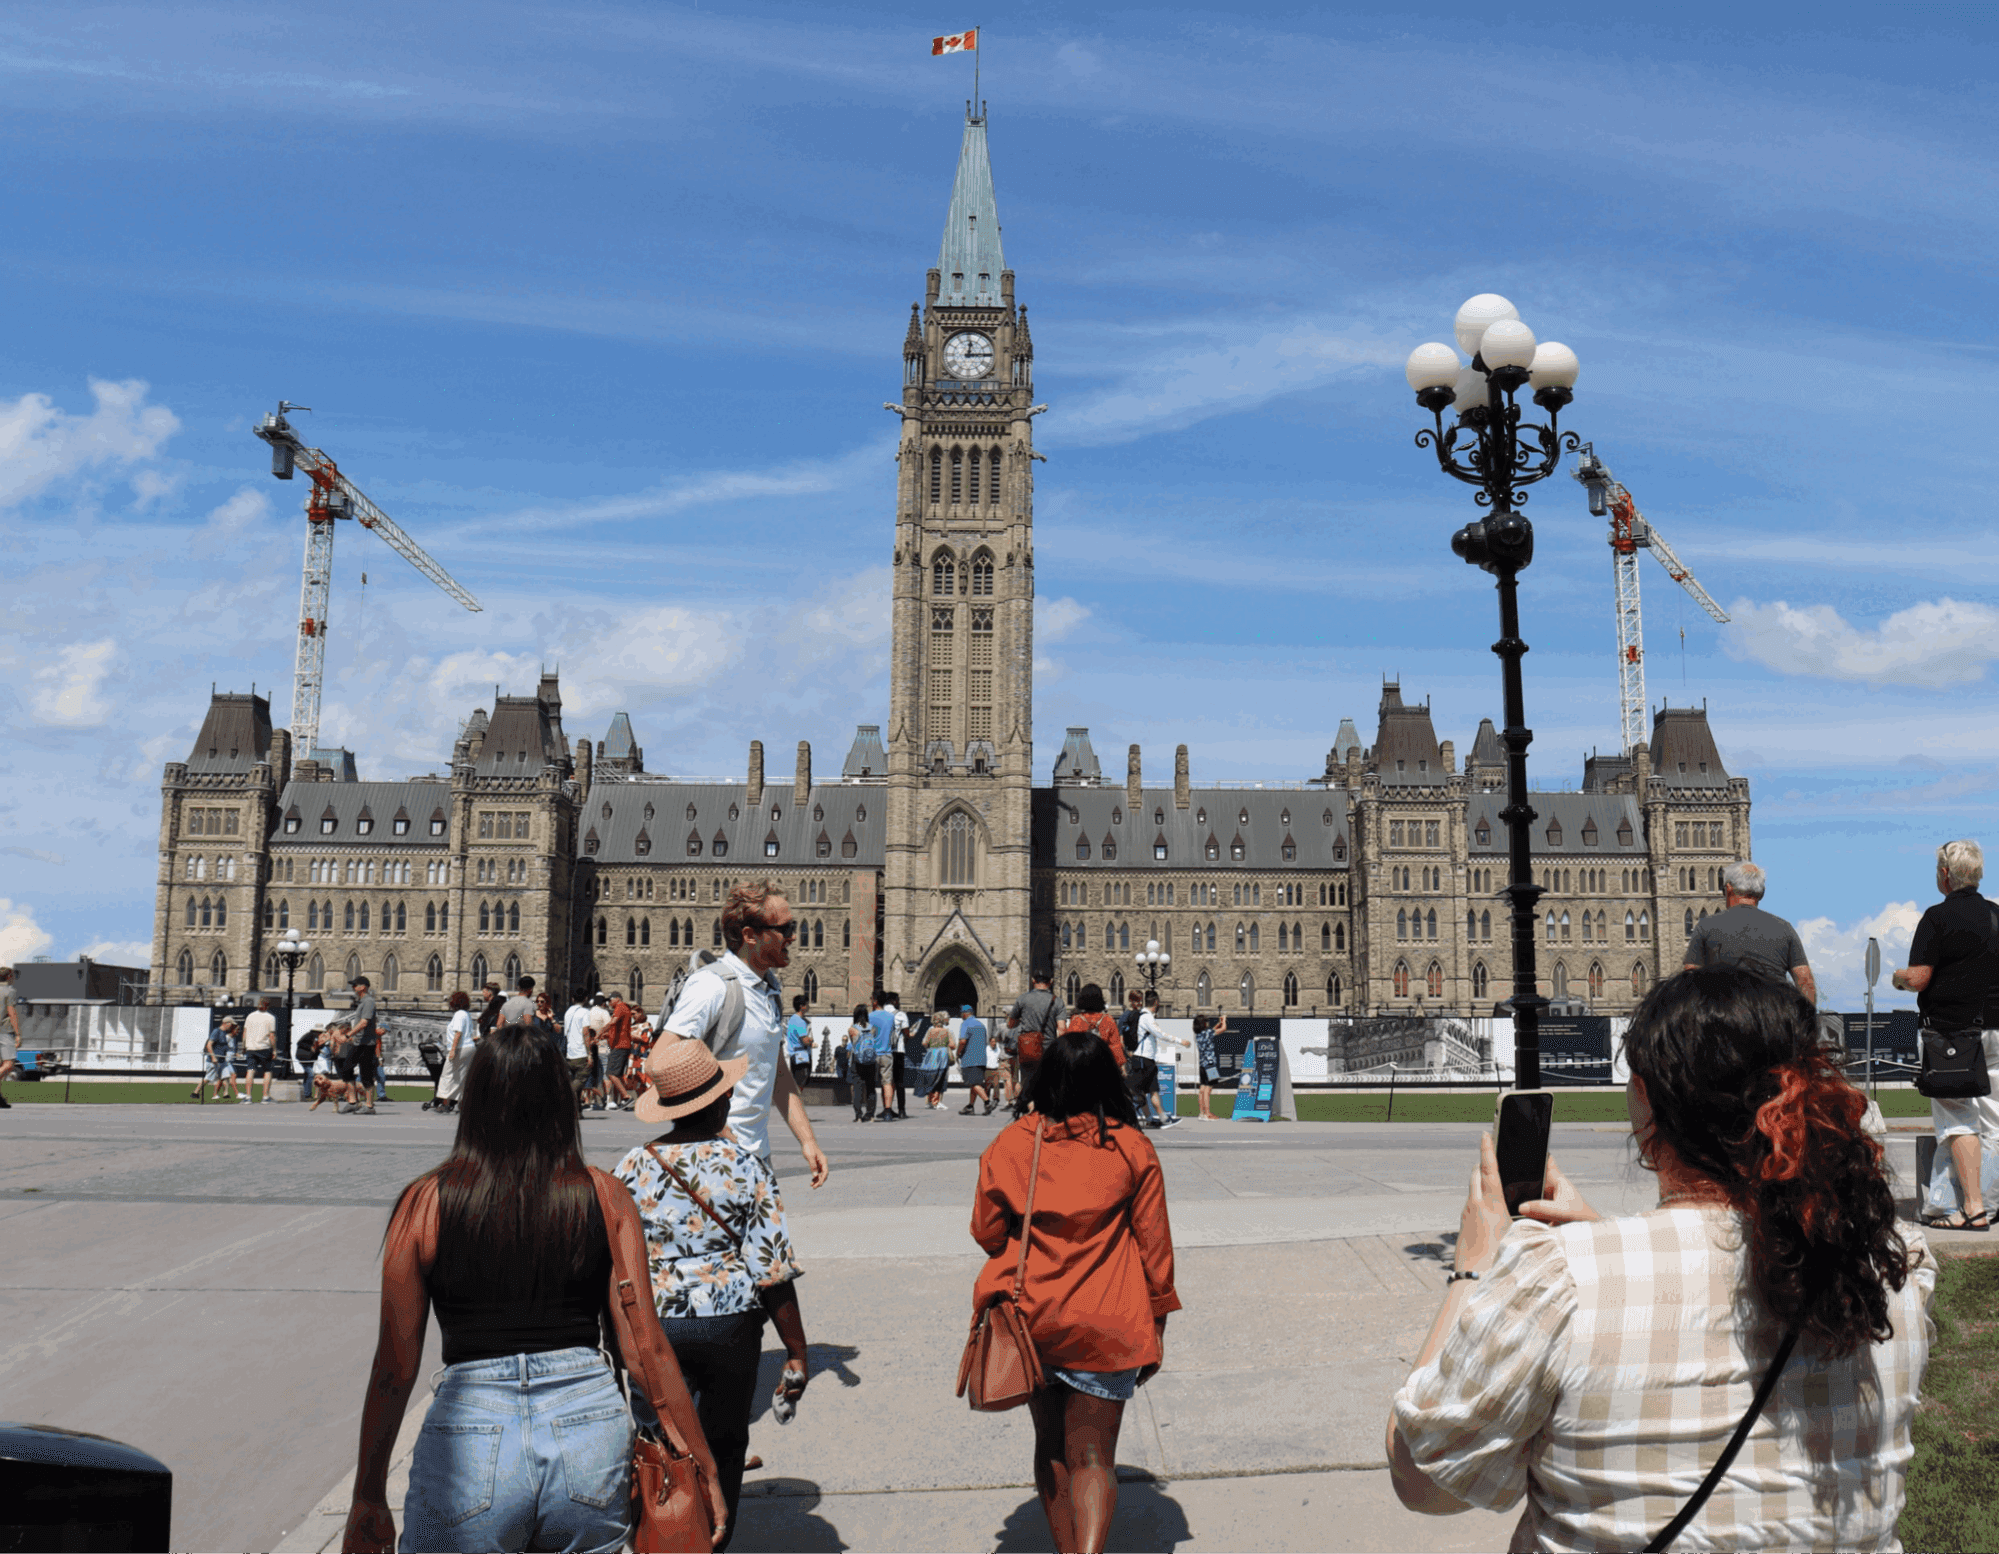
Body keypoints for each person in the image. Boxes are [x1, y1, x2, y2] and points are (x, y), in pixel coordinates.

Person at [1388, 968, 1932, 1551]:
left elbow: (1426, 1477)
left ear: (1646, 1104)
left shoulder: (1561, 1279)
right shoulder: (1891, 1272)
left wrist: (1473, 1268)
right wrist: (1602, 1242)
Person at [341, 1024, 726, 1554]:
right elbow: (646, 1349)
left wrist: (368, 1493)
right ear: (561, 1103)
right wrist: (699, 1458)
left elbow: (395, 1364)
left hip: (471, 1432)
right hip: (586, 1427)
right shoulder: (603, 1195)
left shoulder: (426, 1203)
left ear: (474, 1101)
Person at [971, 1032, 1179, 1554]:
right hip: (1106, 1323)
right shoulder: (1131, 1147)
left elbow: (987, 1233)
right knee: (1093, 1458)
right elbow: (1155, 1248)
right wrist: (1157, 1320)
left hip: (1033, 1318)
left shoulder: (1015, 1143)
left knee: (1052, 1449)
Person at [615, 1038, 810, 1552]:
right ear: (721, 1101)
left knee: (660, 1443)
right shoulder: (746, 1167)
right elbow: (771, 1270)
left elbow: (610, 1260)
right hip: (730, 1325)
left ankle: (663, 1534)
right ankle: (714, 1540)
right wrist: (796, 1349)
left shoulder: (632, 1167)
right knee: (724, 1444)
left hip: (656, 1329)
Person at [661, 881, 829, 1188]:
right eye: (785, 928)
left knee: (772, 1238)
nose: (793, 936)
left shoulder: (770, 990)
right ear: (750, 935)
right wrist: (718, 1131)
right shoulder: (713, 986)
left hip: (756, 1161)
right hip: (710, 1165)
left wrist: (807, 1140)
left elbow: (777, 1073)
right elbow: (659, 1060)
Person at [1893, 837, 1999, 1231]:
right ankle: (1987, 1201)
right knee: (1995, 1123)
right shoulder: (1996, 915)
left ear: (1944, 874)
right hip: (1997, 1029)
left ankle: (1971, 1209)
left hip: (1954, 1032)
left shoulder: (1936, 917)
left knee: (1957, 1120)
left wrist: (1898, 979)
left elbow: (1919, 978)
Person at [1681, 860, 1817, 1004]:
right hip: (1773, 1016)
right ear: (1761, 893)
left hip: (1725, 1015)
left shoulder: (1706, 926)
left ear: (1728, 889)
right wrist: (1808, 1021)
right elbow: (1804, 979)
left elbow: (1690, 975)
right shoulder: (1785, 928)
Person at [1007, 970, 1063, 1109]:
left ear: (1033, 981)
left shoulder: (1022, 999)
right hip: (1049, 1049)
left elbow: (1010, 1024)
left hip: (1028, 1048)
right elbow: (1061, 1029)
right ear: (1050, 982)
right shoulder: (1057, 1001)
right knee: (1048, 1084)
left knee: (1028, 1084)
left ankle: (1029, 1113)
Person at [1130, 991, 1174, 1129]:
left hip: (1147, 1059)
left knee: (1152, 1090)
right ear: (1155, 1003)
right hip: (1143, 1059)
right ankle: (1128, 1117)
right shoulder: (1146, 1018)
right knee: (1137, 1091)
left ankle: (1160, 1118)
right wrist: (1179, 1040)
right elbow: (1160, 1034)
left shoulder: (1145, 1017)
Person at [1061, 985, 1126, 1070]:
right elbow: (1115, 1046)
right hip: (1103, 1066)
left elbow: (1070, 1047)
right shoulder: (1108, 1020)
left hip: (1081, 1067)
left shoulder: (1076, 1020)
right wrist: (1121, 1066)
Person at [435, 990, 477, 1113]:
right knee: (461, 1077)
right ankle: (461, 1103)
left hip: (460, 1048)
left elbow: (458, 1032)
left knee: (447, 1075)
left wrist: (452, 1050)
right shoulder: (467, 1014)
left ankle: (445, 1103)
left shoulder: (459, 1014)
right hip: (469, 1048)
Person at [347, 977, 381, 1116]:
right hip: (359, 1043)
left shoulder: (368, 1002)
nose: (353, 988)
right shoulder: (362, 1002)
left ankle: (369, 1106)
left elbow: (364, 1023)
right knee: (346, 1068)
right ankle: (353, 1102)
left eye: (355, 985)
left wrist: (348, 1035)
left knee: (366, 1074)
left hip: (366, 1044)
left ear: (363, 987)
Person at [866, 993, 899, 1123]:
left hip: (872, 1053)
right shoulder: (891, 1017)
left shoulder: (869, 1016)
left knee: (870, 1083)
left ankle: (870, 1111)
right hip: (887, 1052)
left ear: (874, 1001)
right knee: (887, 1083)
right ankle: (887, 1111)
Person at [957, 1002, 993, 1116]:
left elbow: (962, 1041)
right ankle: (970, 1106)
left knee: (974, 1083)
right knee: (975, 1083)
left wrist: (958, 1053)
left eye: (961, 1013)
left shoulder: (965, 1024)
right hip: (981, 1059)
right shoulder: (981, 1025)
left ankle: (987, 1102)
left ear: (964, 1014)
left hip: (970, 1059)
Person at [603, 994, 638, 1110]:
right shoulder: (623, 1008)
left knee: (611, 1073)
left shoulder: (620, 1007)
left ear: (617, 999)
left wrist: (599, 1033)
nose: (609, 1003)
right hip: (621, 1045)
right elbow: (619, 1029)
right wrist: (606, 1035)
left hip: (620, 1046)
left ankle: (627, 1097)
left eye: (610, 1000)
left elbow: (612, 1022)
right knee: (617, 1074)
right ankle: (624, 1101)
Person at [843, 1004, 877, 1122]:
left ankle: (858, 1115)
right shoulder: (873, 1028)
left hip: (857, 1061)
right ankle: (871, 1115)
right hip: (871, 1061)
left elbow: (853, 1044)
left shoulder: (852, 1029)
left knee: (858, 1087)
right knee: (871, 1088)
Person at [242, 998, 280, 1104]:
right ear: (268, 1006)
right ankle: (265, 1097)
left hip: (251, 1047)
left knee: (250, 1071)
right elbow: (272, 1035)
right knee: (267, 1071)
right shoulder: (270, 1017)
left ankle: (248, 1097)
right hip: (264, 1047)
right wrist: (275, 1050)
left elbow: (244, 1032)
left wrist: (244, 1046)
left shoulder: (250, 1016)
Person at [1191, 1013, 1228, 1121]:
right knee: (1209, 1088)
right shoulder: (1208, 1033)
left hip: (1202, 1064)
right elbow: (1223, 1029)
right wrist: (1224, 1020)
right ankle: (1207, 1113)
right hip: (1210, 1064)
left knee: (1202, 1087)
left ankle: (1202, 1113)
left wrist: (1218, 1023)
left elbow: (1212, 1030)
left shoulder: (1199, 1034)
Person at [194, 1018, 240, 1103]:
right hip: (213, 1061)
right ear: (226, 1023)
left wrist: (232, 1053)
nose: (231, 1026)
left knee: (226, 1076)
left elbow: (224, 1047)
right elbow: (209, 1045)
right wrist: (213, 1057)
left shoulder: (224, 1033)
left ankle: (226, 1094)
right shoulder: (217, 1031)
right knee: (208, 1078)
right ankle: (195, 1092)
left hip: (222, 1060)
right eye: (231, 1024)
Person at [561, 993, 593, 1110]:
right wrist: (590, 1053)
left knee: (575, 1080)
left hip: (569, 1052)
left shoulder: (568, 1012)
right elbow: (586, 1032)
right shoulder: (585, 1012)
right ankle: (565, 1097)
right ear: (585, 998)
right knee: (580, 1080)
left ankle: (577, 1110)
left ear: (572, 999)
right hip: (581, 1052)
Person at [884, 991, 911, 1118]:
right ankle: (901, 1110)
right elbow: (906, 1032)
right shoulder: (900, 1014)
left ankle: (887, 1108)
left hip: (884, 1051)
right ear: (894, 1001)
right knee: (899, 1081)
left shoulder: (881, 1014)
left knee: (886, 1082)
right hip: (898, 1051)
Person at [921, 1005, 954, 1108]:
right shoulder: (946, 1031)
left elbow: (924, 1043)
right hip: (942, 1056)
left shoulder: (930, 1030)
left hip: (931, 1056)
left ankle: (929, 1101)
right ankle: (937, 1101)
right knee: (940, 1079)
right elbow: (953, 1045)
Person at [0, 965, 23, 1107]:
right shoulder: (10, 991)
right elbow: (12, 1012)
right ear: (8, 977)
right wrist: (18, 1033)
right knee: (9, 1063)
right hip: (4, 1031)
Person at [785, 995, 814, 1097]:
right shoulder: (800, 1021)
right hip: (801, 1056)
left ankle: (794, 1102)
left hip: (794, 1054)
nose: (808, 1006)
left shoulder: (792, 1019)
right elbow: (805, 1040)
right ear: (802, 1006)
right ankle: (794, 1103)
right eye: (807, 1004)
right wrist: (811, 1041)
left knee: (796, 1081)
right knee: (800, 1083)